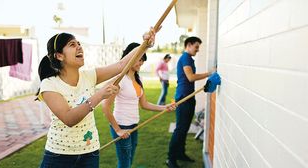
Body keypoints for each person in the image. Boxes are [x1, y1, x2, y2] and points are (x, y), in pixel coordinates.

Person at [37, 29, 156, 168]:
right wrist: (100, 95)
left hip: (90, 152)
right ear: (59, 56)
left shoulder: (89, 76)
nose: (79, 46)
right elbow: (69, 119)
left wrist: (145, 45)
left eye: (79, 43)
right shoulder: (49, 84)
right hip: (58, 155)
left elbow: (122, 65)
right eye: (72, 44)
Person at [102, 42, 176, 168]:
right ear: (130, 57)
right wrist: (118, 130)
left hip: (134, 126)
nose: (141, 63)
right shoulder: (120, 79)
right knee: (125, 163)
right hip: (122, 126)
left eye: (143, 59)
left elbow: (144, 104)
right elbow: (105, 106)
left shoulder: (138, 79)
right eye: (139, 59)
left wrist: (165, 107)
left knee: (129, 160)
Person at [166, 36, 215, 168]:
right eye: (196, 47)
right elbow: (190, 77)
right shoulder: (185, 58)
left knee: (185, 128)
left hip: (189, 98)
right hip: (183, 98)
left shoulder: (189, 59)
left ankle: (181, 154)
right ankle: (170, 159)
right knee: (180, 129)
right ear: (188, 45)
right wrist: (209, 73)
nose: (198, 50)